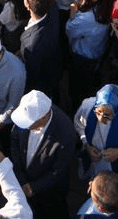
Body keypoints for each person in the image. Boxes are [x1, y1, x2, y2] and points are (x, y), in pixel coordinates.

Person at [8, 90, 78, 219]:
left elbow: (59, 170)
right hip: (24, 184)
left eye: (29, 123)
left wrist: (33, 187)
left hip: (50, 193)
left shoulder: (66, 132)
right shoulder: (26, 114)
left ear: (43, 118)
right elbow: (15, 141)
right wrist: (21, 179)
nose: (25, 126)